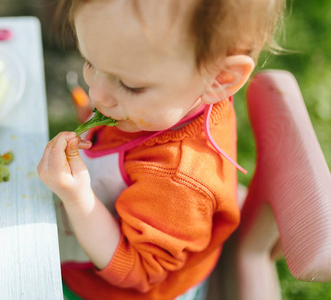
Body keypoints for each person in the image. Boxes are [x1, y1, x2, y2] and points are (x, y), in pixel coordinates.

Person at [38, 0, 285, 299]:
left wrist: (77, 199)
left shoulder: (178, 184)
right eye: (90, 62)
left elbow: (137, 270)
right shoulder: (172, 99)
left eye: (129, 85)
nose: (97, 93)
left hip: (109, 288)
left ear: (220, 79)